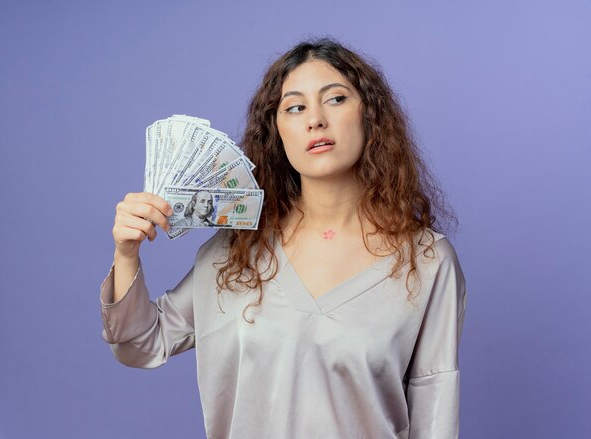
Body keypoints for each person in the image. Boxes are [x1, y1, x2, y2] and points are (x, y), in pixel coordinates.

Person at [102, 38, 467, 439]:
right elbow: (140, 343)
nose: (316, 120)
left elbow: (435, 411)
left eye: (336, 99)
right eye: (295, 107)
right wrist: (127, 253)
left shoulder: (427, 261)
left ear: (369, 115)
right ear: (277, 130)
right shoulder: (236, 252)